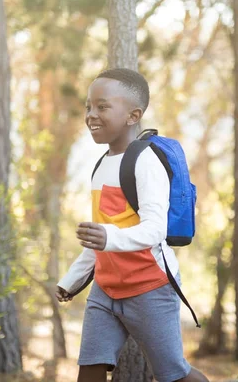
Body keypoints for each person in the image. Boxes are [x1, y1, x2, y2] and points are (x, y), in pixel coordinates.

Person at [54, 68, 209, 382]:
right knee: (90, 372)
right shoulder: (101, 165)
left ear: (133, 115)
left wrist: (108, 235)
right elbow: (101, 239)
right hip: (105, 290)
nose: (91, 115)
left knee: (174, 375)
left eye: (102, 106)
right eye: (88, 107)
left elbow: (154, 230)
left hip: (148, 287)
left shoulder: (146, 161)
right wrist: (71, 281)